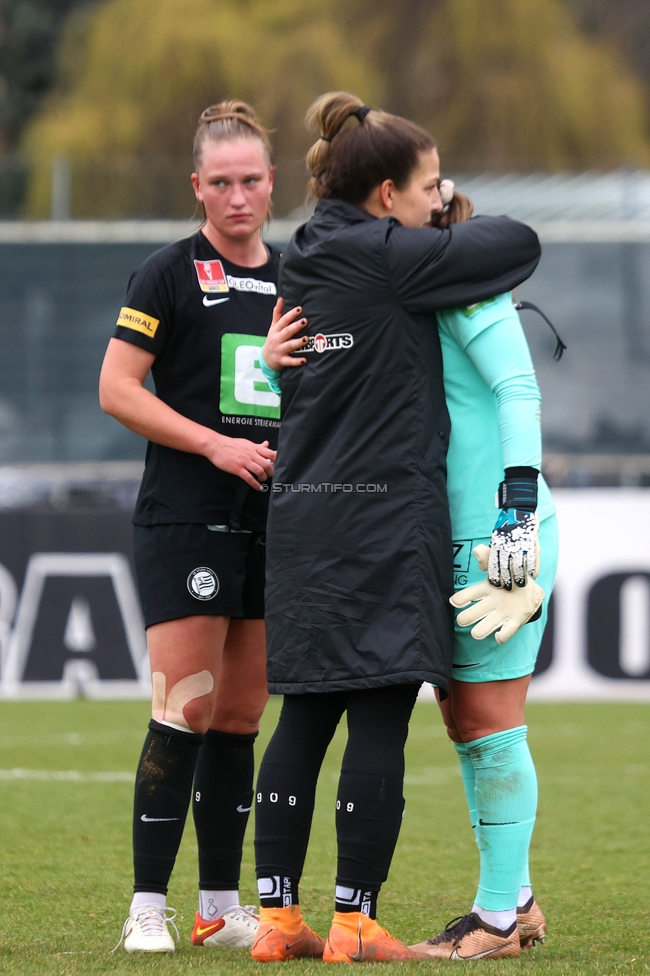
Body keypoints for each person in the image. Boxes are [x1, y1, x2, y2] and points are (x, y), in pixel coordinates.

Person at [249, 90, 541, 964]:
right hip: (380, 519)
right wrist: (447, 228)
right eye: (426, 188)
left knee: (299, 721)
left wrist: (272, 369)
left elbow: (311, 380)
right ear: (385, 198)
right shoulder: (394, 258)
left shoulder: (300, 257)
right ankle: (353, 926)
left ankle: (274, 923)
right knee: (378, 723)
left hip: (303, 519)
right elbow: (519, 244)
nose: (436, 201)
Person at [99, 100, 301, 954]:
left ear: (271, 181)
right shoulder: (168, 273)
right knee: (183, 704)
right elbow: (117, 389)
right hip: (186, 514)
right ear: (197, 187)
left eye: (251, 180)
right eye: (220, 183)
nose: (238, 196)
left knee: (240, 716)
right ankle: (148, 907)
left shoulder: (298, 275)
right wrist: (216, 446)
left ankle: (220, 906)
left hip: (272, 520)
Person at [405, 188, 558, 961]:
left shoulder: (468, 285)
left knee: (493, 728)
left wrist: (517, 517)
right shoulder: (416, 291)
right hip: (449, 536)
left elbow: (518, 391)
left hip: (500, 538)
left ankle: (495, 918)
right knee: (465, 724)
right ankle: (518, 901)